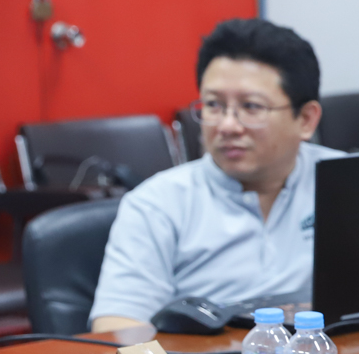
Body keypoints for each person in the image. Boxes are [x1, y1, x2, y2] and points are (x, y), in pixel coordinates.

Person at [89, 18, 339, 332]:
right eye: (213, 105)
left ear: (305, 119)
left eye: (251, 107)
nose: (227, 126)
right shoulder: (157, 205)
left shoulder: (348, 183)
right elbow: (116, 325)